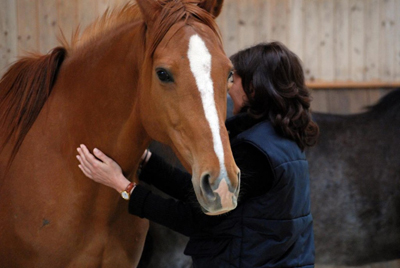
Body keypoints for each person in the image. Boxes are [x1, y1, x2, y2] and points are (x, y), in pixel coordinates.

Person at [77, 41, 319, 268]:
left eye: (233, 79)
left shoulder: (254, 152)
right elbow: (204, 197)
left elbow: (196, 220)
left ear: (253, 89)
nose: (228, 88)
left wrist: (122, 186)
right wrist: (147, 163)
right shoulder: (281, 140)